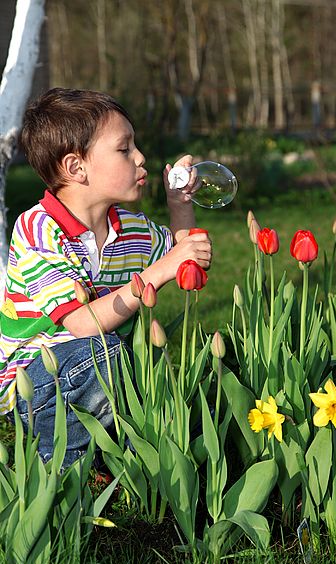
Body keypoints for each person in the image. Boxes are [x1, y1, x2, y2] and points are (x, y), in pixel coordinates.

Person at [0, 87, 212, 467]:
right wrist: (159, 270)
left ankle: (122, 459)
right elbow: (81, 323)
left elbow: (183, 264)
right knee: (106, 355)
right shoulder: (38, 229)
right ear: (75, 167)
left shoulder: (132, 229)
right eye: (124, 149)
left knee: (126, 366)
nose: (140, 157)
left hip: (106, 368)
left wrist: (180, 206)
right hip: (35, 381)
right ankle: (60, 463)